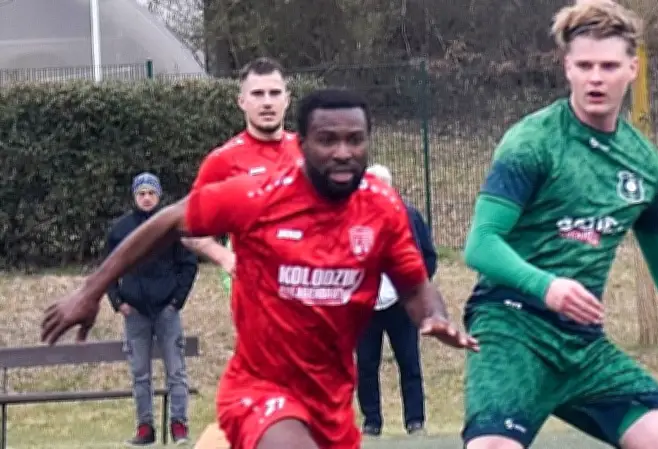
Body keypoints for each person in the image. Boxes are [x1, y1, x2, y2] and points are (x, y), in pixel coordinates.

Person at [41, 88, 479, 449]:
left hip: (331, 403)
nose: (343, 152)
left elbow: (415, 284)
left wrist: (434, 316)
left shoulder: (383, 209)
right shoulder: (258, 196)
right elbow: (170, 220)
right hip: (259, 389)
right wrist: (92, 290)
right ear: (301, 144)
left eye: (355, 140)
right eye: (328, 140)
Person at [459, 1, 658, 449]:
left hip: (581, 347)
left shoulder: (644, 165)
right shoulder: (532, 142)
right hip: (510, 329)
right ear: (566, 68)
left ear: (632, 69)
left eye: (609, 65)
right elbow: (480, 245)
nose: (596, 77)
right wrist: (547, 286)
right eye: (585, 65)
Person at [180, 56, 301, 290]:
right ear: (242, 101)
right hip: (257, 298)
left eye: (275, 93)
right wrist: (225, 257)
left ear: (287, 100)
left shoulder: (308, 152)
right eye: (257, 94)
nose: (267, 102)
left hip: (311, 294)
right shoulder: (223, 160)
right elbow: (186, 227)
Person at [106, 172, 198, 446]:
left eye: (151, 193)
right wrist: (118, 302)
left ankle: (179, 426)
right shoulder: (120, 229)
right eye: (141, 193)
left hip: (166, 311)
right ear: (134, 196)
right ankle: (145, 428)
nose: (146, 198)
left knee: (176, 371)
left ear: (158, 195)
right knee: (140, 374)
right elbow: (108, 268)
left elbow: (188, 265)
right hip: (135, 311)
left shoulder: (172, 226)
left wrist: (175, 302)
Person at [355, 164, 437, 437]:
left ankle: (415, 421)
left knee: (409, 362)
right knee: (366, 365)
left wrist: (414, 288)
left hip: (400, 305)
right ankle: (371, 422)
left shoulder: (409, 215)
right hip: (365, 306)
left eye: (381, 186)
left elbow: (428, 255)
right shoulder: (353, 218)